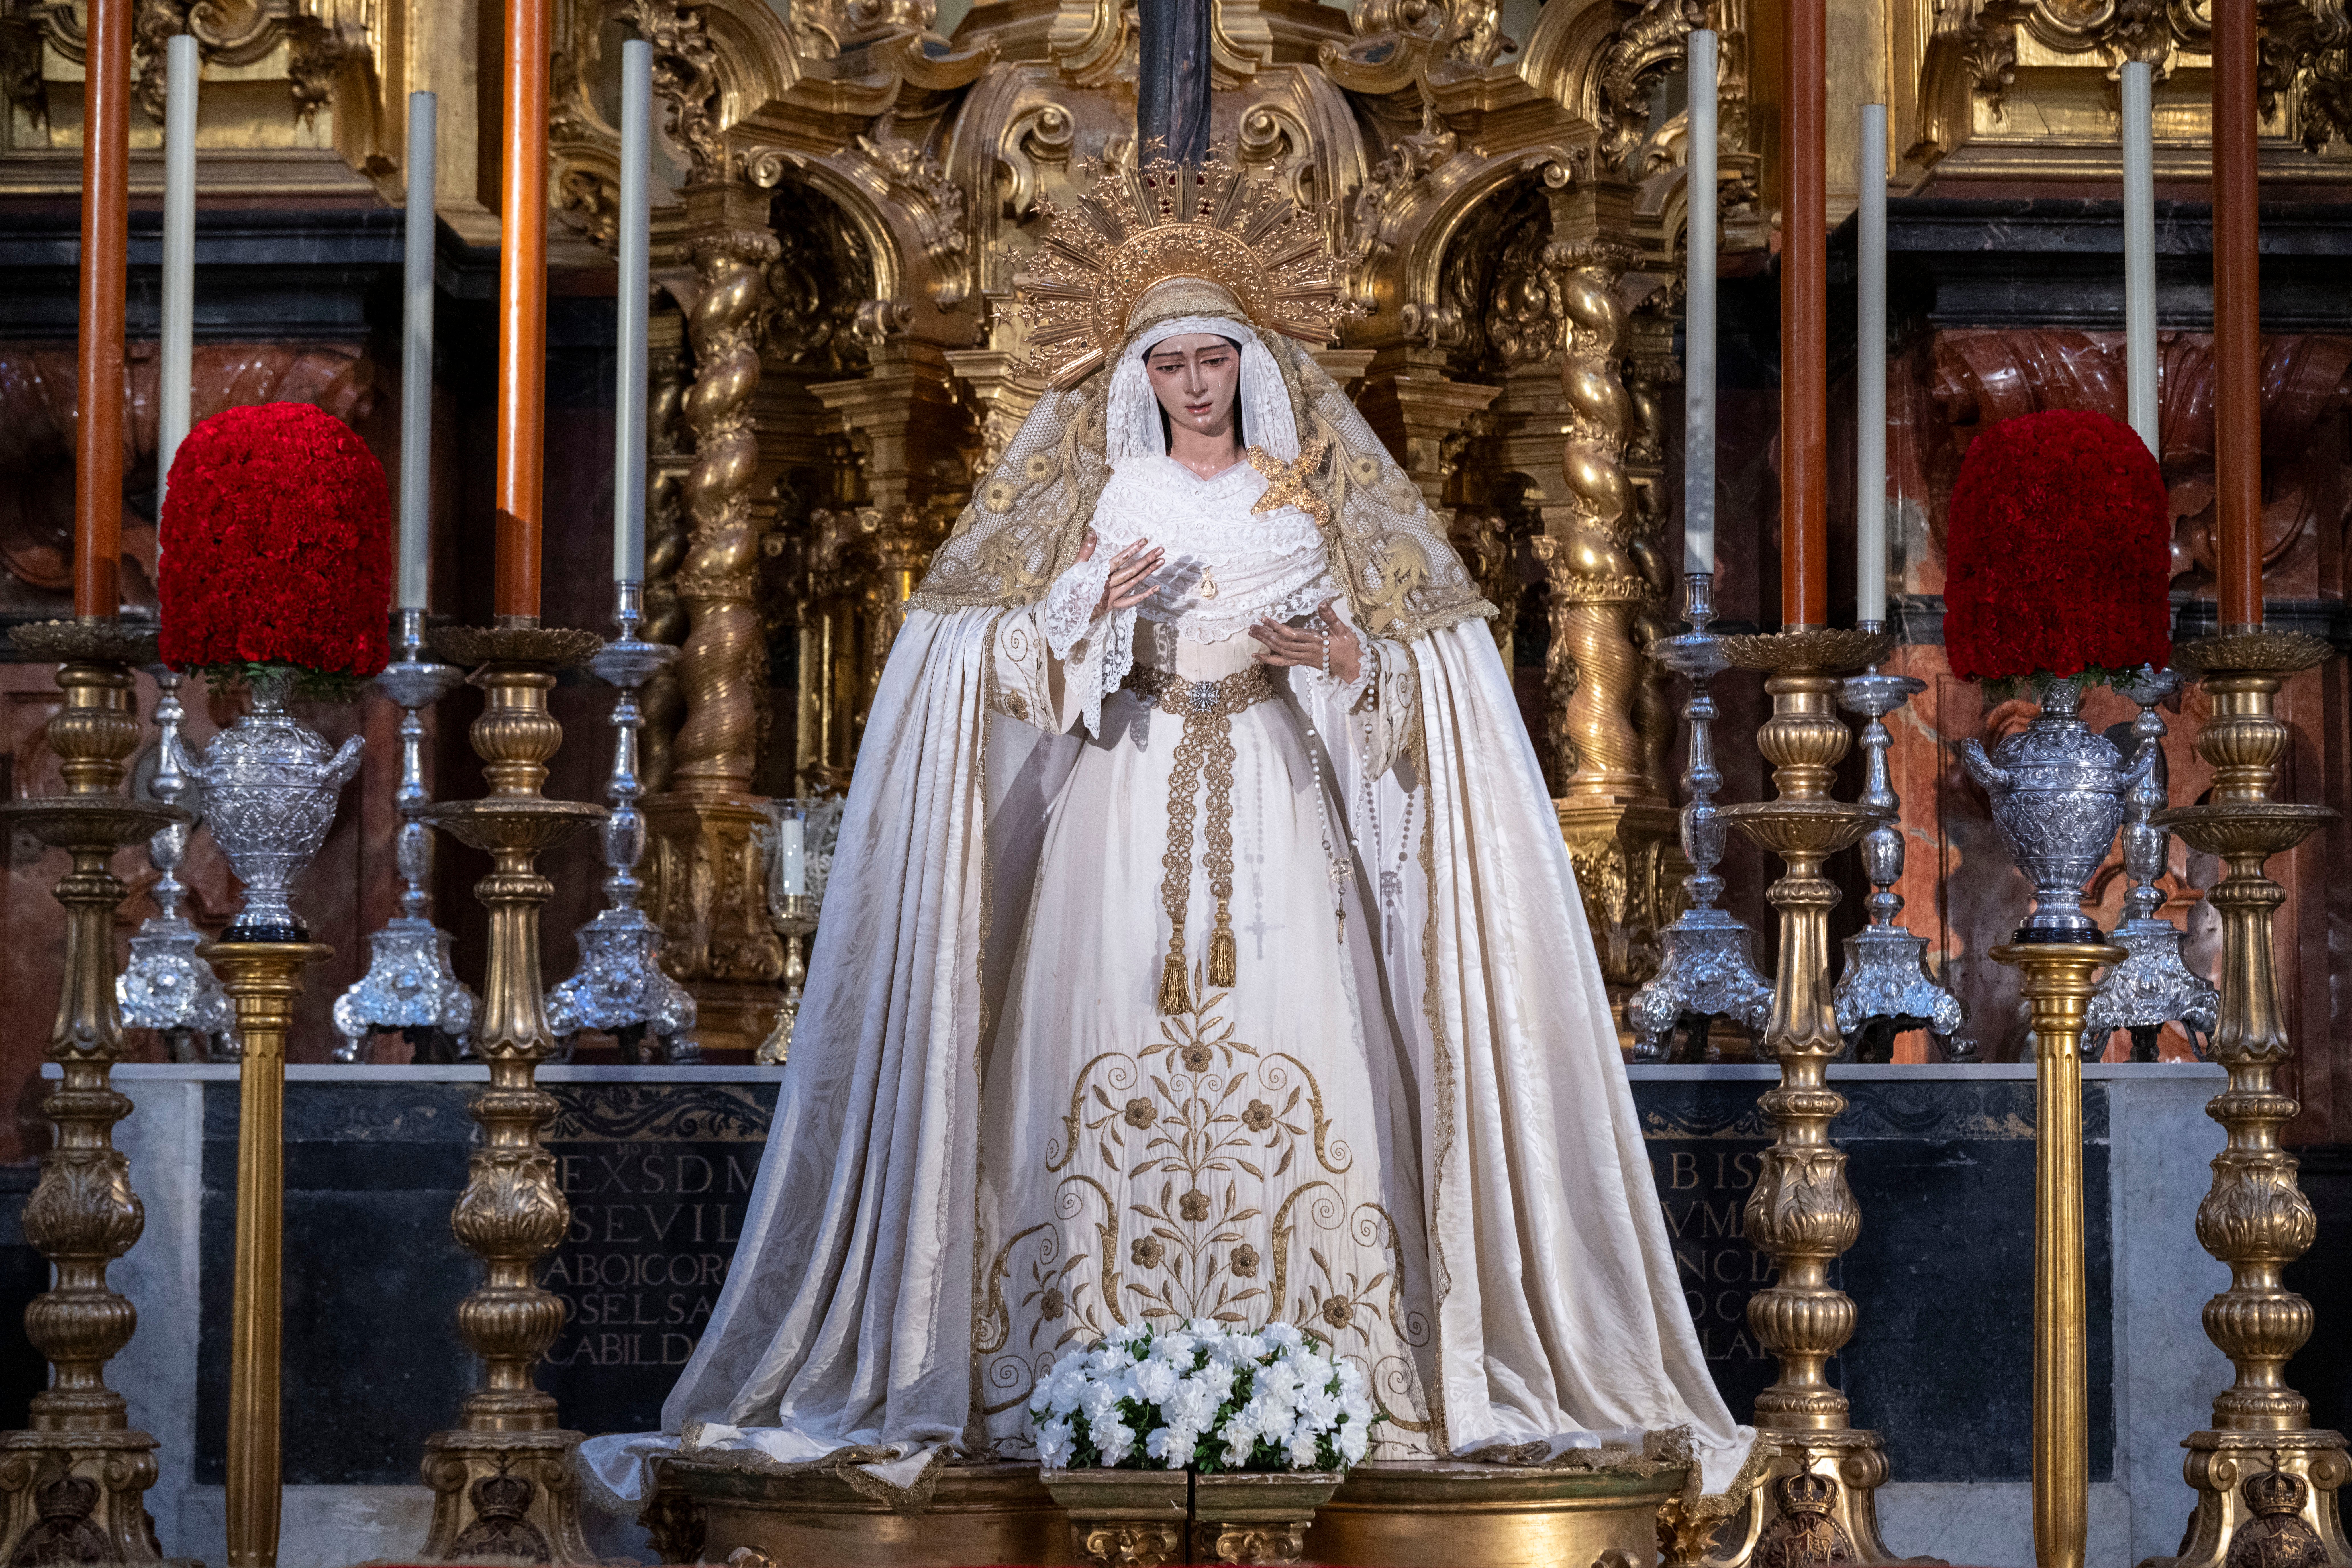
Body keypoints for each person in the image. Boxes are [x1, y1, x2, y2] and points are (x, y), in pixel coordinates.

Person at [581, 160, 1751, 1511]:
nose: (1195, 385)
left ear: (1250, 363)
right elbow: (988, 666)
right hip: (1121, 799)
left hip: (1276, 794)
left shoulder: (1313, 501)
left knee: (1309, 1038)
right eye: (1172, 363)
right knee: (1092, 1025)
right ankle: (1065, 1355)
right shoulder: (1099, 506)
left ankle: (1328, 1358)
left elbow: (1433, 677)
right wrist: (1086, 611)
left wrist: (1345, 660)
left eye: (1213, 359)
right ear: (1138, 373)